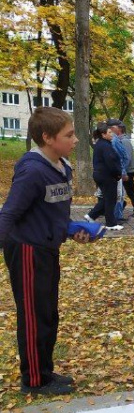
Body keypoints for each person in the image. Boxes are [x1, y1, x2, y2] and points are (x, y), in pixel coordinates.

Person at [0, 107, 91, 395]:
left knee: (48, 313)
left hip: (47, 248)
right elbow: (9, 214)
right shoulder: (32, 171)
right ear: (47, 137)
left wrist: (71, 230)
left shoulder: (62, 166)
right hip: (27, 250)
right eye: (69, 135)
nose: (75, 140)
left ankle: (45, 372)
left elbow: (52, 213)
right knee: (34, 315)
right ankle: (34, 381)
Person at [85, 122, 124, 231]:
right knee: (111, 199)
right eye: (109, 132)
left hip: (101, 175)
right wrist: (117, 174)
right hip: (107, 176)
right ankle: (111, 224)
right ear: (103, 134)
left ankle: (91, 216)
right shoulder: (105, 146)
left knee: (107, 198)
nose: (112, 134)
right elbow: (111, 162)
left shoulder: (101, 144)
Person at [109, 119, 134, 219]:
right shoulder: (120, 140)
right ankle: (121, 206)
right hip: (124, 170)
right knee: (121, 191)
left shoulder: (124, 141)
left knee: (130, 191)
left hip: (128, 171)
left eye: (113, 128)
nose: (111, 130)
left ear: (119, 129)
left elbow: (126, 158)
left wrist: (123, 172)